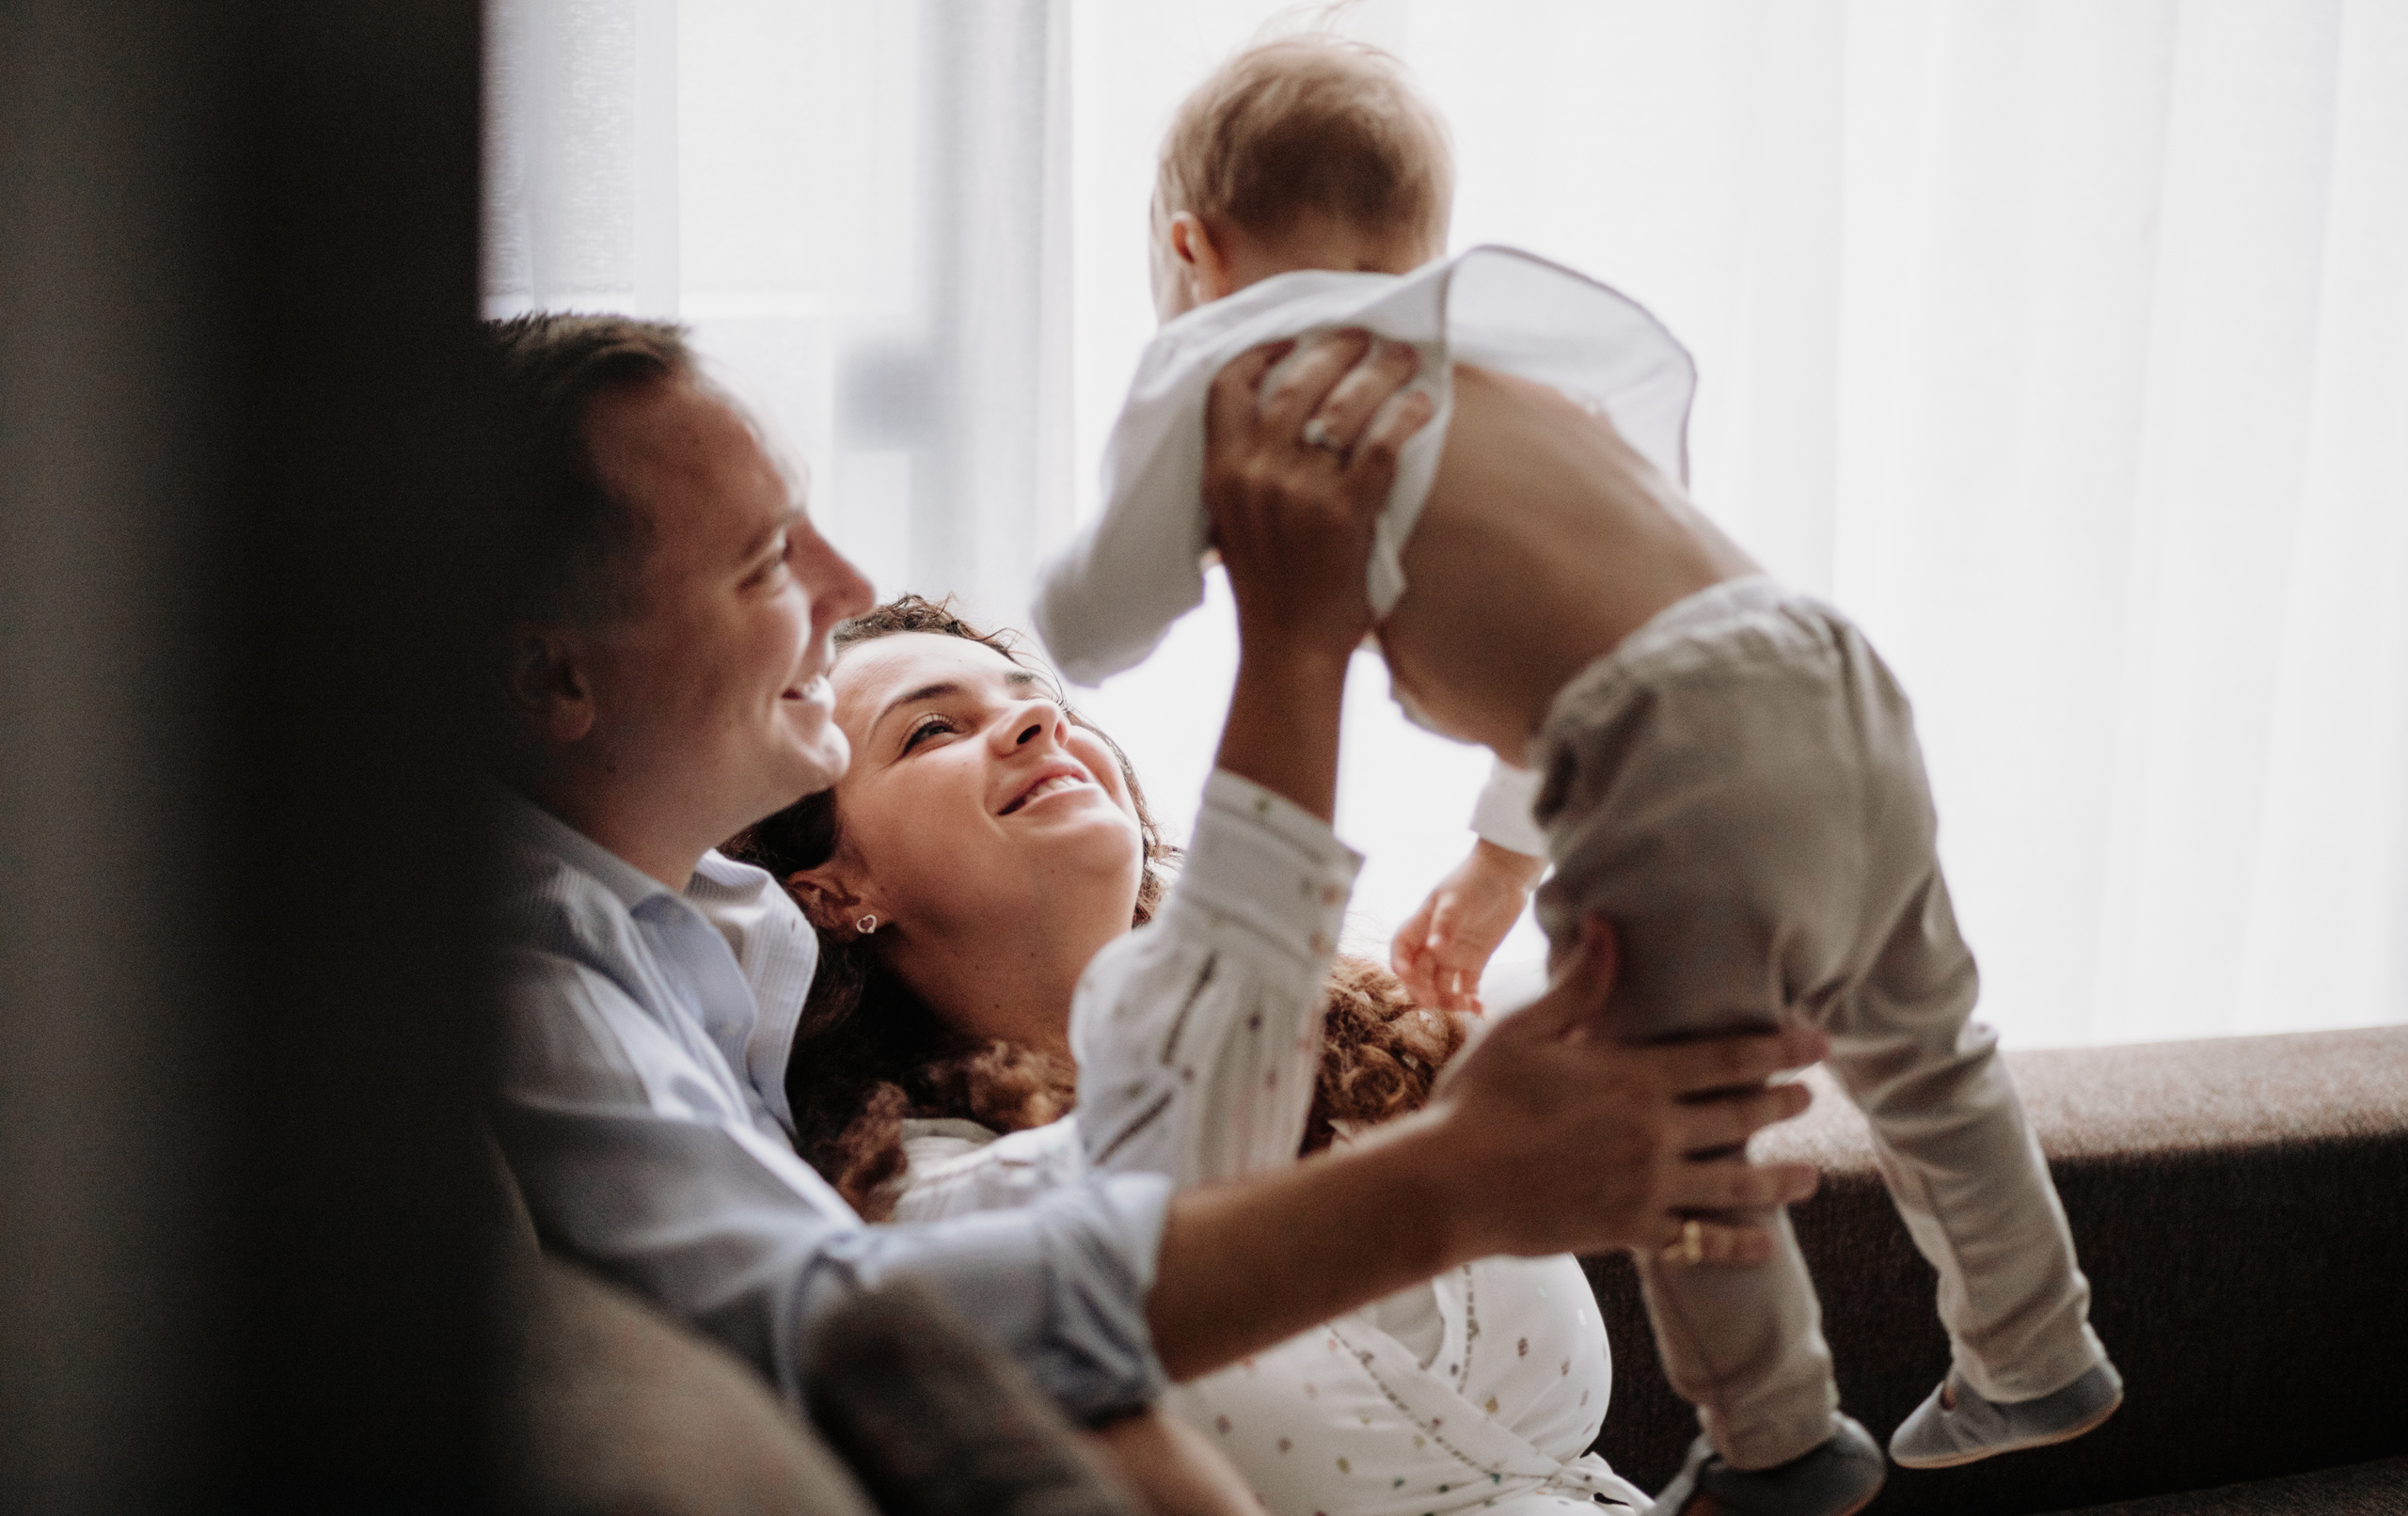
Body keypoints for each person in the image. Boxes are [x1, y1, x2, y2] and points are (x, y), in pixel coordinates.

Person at [1032, 33, 2123, 1516]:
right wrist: (1498, 862)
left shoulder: (1229, 354)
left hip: (1663, 737)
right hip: (1821, 661)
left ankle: (1777, 1436)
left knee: (1662, 1100)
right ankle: (2035, 1344)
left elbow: (1095, 624)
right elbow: (1598, 637)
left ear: (1191, 249)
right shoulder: (1483, 361)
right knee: (1927, 1044)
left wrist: (1114, 564)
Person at [480, 311, 1828, 1509]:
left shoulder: (713, 931)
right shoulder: (531, 995)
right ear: (553, 682)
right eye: (768, 559)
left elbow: (1139, 1164)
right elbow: (839, 1332)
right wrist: (1450, 1184)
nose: (836, 592)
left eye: (1031, 700)